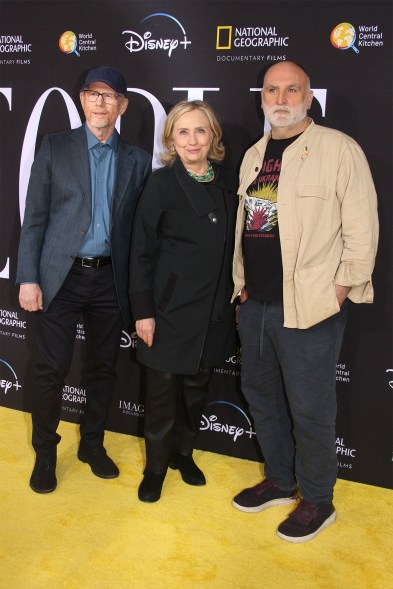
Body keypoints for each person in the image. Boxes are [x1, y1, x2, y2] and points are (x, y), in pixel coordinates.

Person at [231, 61, 378, 542]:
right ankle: (280, 480)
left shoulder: (339, 149)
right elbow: (247, 227)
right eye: (272, 89)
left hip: (312, 305)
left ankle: (317, 500)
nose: (281, 97)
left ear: (309, 97)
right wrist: (242, 285)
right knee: (263, 398)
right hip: (255, 304)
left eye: (291, 89)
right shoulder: (254, 153)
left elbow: (362, 227)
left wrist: (343, 286)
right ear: (262, 97)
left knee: (311, 409)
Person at [16, 66, 151, 493]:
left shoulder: (138, 159)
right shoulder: (55, 147)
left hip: (111, 281)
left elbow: (140, 232)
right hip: (60, 277)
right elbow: (34, 218)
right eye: (93, 93)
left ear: (123, 106)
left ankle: (92, 444)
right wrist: (28, 277)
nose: (100, 102)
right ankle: (45, 454)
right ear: (81, 99)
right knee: (49, 370)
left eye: (111, 96)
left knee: (103, 369)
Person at [129, 100, 237, 502]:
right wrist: (144, 311)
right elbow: (140, 251)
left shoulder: (229, 182)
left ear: (213, 136)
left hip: (214, 311)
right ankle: (155, 468)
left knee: (196, 391)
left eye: (200, 131)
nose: (192, 141)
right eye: (183, 132)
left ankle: (182, 454)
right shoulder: (161, 184)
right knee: (161, 395)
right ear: (171, 138)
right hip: (168, 311)